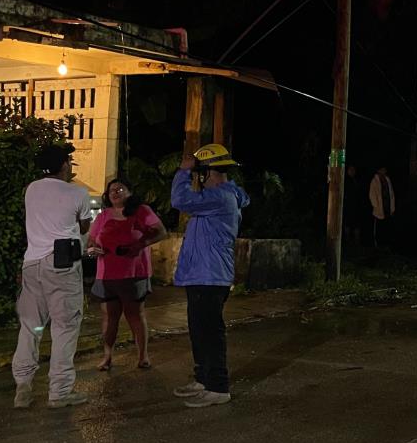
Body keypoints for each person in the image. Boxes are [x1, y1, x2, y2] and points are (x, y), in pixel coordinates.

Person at [12, 143, 93, 409]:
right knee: (65, 326)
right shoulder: (78, 193)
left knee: (31, 326)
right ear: (64, 166)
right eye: (68, 161)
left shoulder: (31, 190)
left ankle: (23, 385)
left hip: (32, 265)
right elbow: (84, 226)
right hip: (62, 266)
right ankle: (59, 391)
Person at [169, 143, 249, 408]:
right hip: (201, 275)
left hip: (210, 276)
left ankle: (218, 386)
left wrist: (182, 172)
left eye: (198, 174)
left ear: (205, 173)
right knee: (199, 330)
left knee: (210, 332)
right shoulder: (218, 197)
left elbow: (179, 200)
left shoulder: (221, 197)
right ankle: (203, 379)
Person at [86, 178, 169, 371]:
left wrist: (139, 245)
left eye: (120, 189)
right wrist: (93, 249)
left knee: (135, 315)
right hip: (106, 274)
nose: (115, 192)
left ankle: (143, 356)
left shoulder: (142, 211)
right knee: (109, 317)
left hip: (134, 273)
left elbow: (160, 232)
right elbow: (91, 241)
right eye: (111, 190)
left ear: (130, 192)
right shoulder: (103, 216)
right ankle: (107, 357)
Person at [369, 165, 396, 248]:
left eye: (385, 170)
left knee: (386, 226)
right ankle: (378, 243)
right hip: (379, 208)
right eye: (382, 170)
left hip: (387, 207)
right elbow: (372, 194)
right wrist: (376, 205)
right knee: (379, 226)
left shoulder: (387, 180)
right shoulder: (375, 181)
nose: (384, 171)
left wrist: (392, 207)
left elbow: (391, 194)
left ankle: (385, 243)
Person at [343, 164, 364, 246]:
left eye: (353, 170)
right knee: (347, 223)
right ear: (348, 171)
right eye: (351, 170)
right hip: (348, 206)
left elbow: (360, 193)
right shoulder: (346, 180)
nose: (352, 171)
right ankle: (347, 241)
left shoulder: (357, 180)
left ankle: (357, 242)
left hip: (357, 206)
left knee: (357, 224)